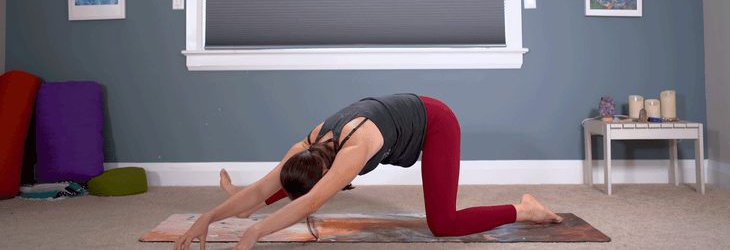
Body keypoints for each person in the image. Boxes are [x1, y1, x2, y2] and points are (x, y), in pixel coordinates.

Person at [174, 94, 562, 250]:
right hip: (391, 123)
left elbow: (312, 198)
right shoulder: (305, 145)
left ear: (330, 172)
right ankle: (238, 209)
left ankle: (524, 208)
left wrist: (257, 230)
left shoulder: (353, 151)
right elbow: (264, 187)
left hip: (436, 122)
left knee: (442, 223)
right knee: (285, 184)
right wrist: (208, 217)